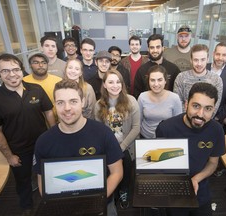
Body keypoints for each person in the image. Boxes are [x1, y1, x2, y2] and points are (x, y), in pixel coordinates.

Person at [34, 79, 123, 216]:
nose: (67, 108)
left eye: (73, 101)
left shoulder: (103, 133)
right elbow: (42, 182)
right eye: (60, 103)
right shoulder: (43, 141)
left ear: (82, 102)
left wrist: (95, 201)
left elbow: (117, 172)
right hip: (63, 208)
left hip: (101, 205)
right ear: (55, 105)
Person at [0, 53, 56, 216]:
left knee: (49, 176)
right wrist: (9, 156)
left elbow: (48, 113)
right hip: (18, 150)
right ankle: (26, 207)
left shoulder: (36, 89)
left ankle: (52, 203)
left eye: (15, 69)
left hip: (43, 145)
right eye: (5, 71)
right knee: (23, 182)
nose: (12, 75)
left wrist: (55, 138)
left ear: (22, 70)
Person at [156, 82, 226, 216]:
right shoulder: (166, 128)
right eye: (196, 106)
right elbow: (159, 165)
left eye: (208, 109)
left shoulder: (216, 130)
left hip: (200, 186)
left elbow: (213, 163)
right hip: (173, 188)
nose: (200, 114)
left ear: (213, 110)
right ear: (186, 104)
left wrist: (196, 179)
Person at [95, 70, 140, 209]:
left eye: (118, 82)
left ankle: (123, 191)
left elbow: (136, 128)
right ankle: (112, 192)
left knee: (126, 166)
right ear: (104, 85)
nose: (115, 85)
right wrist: (112, 148)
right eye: (111, 82)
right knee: (109, 170)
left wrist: (121, 147)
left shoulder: (131, 100)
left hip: (127, 145)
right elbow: (99, 131)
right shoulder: (99, 105)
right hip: (108, 146)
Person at [173, 44, 223, 116]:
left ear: (208, 59)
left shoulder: (216, 80)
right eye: (196, 60)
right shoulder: (181, 77)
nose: (199, 64)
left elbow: (214, 107)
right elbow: (177, 103)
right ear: (191, 60)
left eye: (202, 60)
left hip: (205, 122)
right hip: (183, 121)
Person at [138, 65, 182, 138]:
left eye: (159, 80)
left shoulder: (174, 98)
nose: (156, 84)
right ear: (148, 81)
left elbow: (178, 124)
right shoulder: (142, 97)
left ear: (165, 81)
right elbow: (138, 122)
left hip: (167, 138)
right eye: (152, 80)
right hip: (145, 138)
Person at [134, 34, 180, 99]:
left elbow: (177, 93)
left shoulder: (174, 69)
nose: (155, 50)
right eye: (152, 47)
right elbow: (137, 94)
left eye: (158, 47)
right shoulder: (141, 70)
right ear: (148, 49)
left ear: (163, 48)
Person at [23, 53, 62, 117]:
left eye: (44, 62)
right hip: (35, 122)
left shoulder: (58, 81)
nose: (40, 65)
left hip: (57, 120)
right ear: (30, 65)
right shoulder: (23, 82)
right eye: (36, 62)